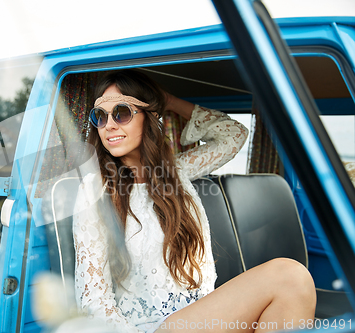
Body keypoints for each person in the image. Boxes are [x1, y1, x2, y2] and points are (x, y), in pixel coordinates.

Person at [72, 69, 316, 333]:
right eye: (100, 116)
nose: (109, 125)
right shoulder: (94, 190)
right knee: (290, 277)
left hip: (205, 317)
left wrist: (171, 102)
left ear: (151, 117)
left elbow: (233, 134)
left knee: (292, 286)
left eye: (121, 112)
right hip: (150, 328)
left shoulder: (178, 172)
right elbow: (94, 301)